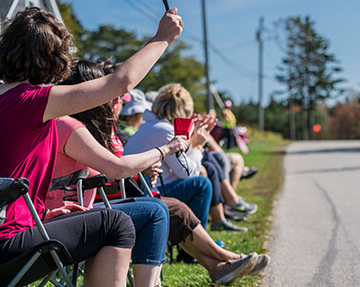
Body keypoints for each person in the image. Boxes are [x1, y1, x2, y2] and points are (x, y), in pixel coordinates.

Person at [0, 6, 182, 285]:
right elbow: (119, 82)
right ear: (54, 60)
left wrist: (46, 212)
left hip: (14, 233)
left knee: (105, 222)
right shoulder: (31, 101)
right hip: (8, 245)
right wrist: (162, 38)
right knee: (115, 224)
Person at [47, 59, 265, 285]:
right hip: (79, 210)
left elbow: (108, 169)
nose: (115, 100)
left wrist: (143, 167)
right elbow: (178, 173)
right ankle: (222, 256)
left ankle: (219, 261)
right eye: (108, 93)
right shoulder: (71, 127)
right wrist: (187, 148)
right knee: (179, 197)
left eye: (115, 94)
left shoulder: (88, 128)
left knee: (166, 203)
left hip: (102, 199)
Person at [125, 83, 251, 231]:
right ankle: (198, 241)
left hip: (143, 187)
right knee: (201, 184)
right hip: (148, 191)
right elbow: (185, 172)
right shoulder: (164, 130)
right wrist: (197, 146)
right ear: (183, 111)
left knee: (208, 166)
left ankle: (212, 228)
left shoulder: (154, 125)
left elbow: (182, 163)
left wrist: (194, 139)